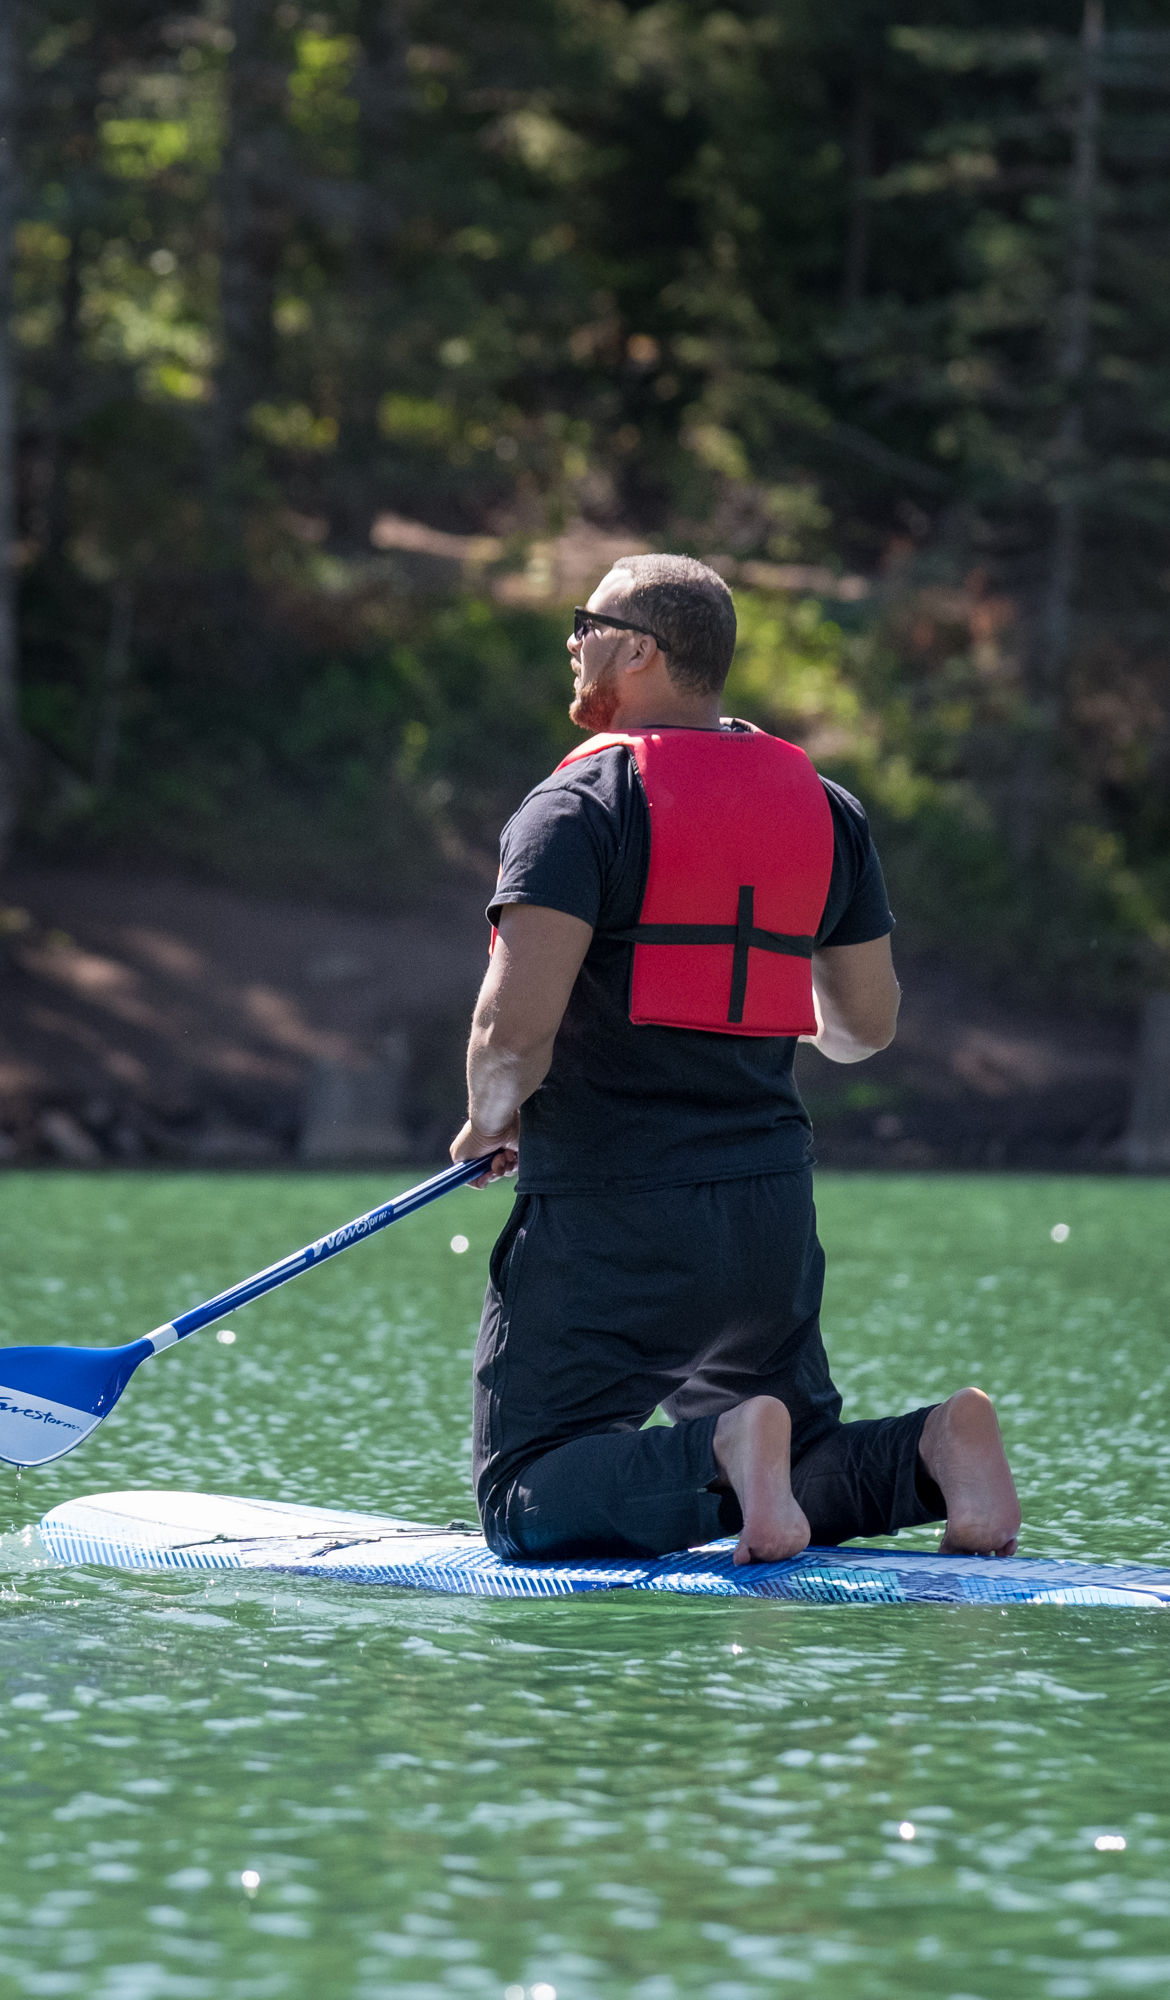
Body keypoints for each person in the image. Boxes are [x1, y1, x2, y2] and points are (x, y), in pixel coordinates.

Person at [448, 553, 1023, 1566]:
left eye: (584, 625)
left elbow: (512, 1027)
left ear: (639, 649)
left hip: (611, 1214)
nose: (572, 644)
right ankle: (934, 1452)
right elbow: (862, 1026)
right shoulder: (824, 805)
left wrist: (490, 1120)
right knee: (794, 1454)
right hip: (766, 1216)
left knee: (523, 1493)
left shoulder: (577, 807)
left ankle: (722, 1455)